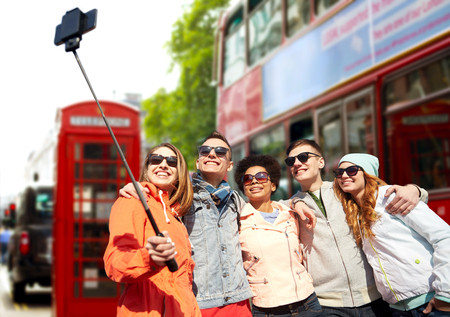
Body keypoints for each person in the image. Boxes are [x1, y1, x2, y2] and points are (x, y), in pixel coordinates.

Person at [286, 139, 428, 317]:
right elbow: (268, 208)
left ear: (321, 162)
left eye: (303, 157)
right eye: (291, 161)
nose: (297, 163)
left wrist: (416, 190)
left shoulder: (345, 189)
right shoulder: (287, 208)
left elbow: (382, 193)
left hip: (374, 298)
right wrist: (294, 201)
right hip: (328, 303)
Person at [119, 131, 253, 316]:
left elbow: (265, 212)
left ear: (229, 165)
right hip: (200, 302)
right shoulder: (181, 197)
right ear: (198, 162)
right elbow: (159, 193)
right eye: (205, 150)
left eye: (220, 151)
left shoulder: (236, 200)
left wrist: (296, 201)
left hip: (238, 301)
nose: (212, 154)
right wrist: (138, 186)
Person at [333, 153, 450, 317]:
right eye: (339, 172)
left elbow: (444, 237)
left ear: (367, 174)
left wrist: (445, 294)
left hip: (430, 300)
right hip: (397, 309)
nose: (344, 175)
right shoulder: (352, 212)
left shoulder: (390, 197)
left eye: (351, 170)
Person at [104, 143, 201, 316]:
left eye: (171, 162)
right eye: (155, 159)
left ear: (180, 173)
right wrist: (149, 258)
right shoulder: (132, 201)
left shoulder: (176, 217)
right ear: (147, 169)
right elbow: (114, 264)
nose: (163, 164)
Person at [234, 154, 323, 316]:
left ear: (273, 185)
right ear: (244, 187)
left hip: (306, 302)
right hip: (267, 307)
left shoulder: (291, 214)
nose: (254, 181)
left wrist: (296, 202)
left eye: (261, 177)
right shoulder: (237, 221)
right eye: (248, 179)